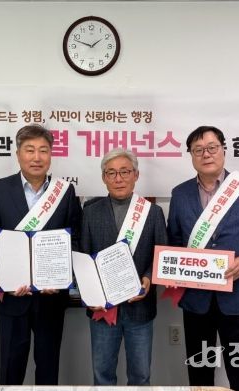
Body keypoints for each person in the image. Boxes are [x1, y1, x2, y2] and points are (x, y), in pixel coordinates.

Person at [166, 126, 239, 391]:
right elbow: (174, 240)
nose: (206, 154)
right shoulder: (180, 194)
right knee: (199, 376)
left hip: (238, 297)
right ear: (191, 156)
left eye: (212, 147)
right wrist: (173, 268)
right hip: (196, 300)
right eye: (198, 150)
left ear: (223, 150)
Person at [0, 124, 82, 385]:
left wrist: (60, 276)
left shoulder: (65, 191)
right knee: (10, 368)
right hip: (12, 297)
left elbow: (75, 239)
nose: (37, 157)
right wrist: (9, 277)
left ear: (51, 155)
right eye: (29, 150)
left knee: (48, 368)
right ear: (18, 154)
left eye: (43, 150)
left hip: (51, 297)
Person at [80, 148, 168, 385]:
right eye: (111, 173)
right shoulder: (90, 212)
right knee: (102, 376)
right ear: (104, 178)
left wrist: (148, 278)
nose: (118, 179)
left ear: (136, 175)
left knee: (140, 376)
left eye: (125, 172)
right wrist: (90, 294)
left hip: (139, 309)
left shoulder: (152, 212)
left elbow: (161, 255)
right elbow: (83, 258)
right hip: (102, 309)